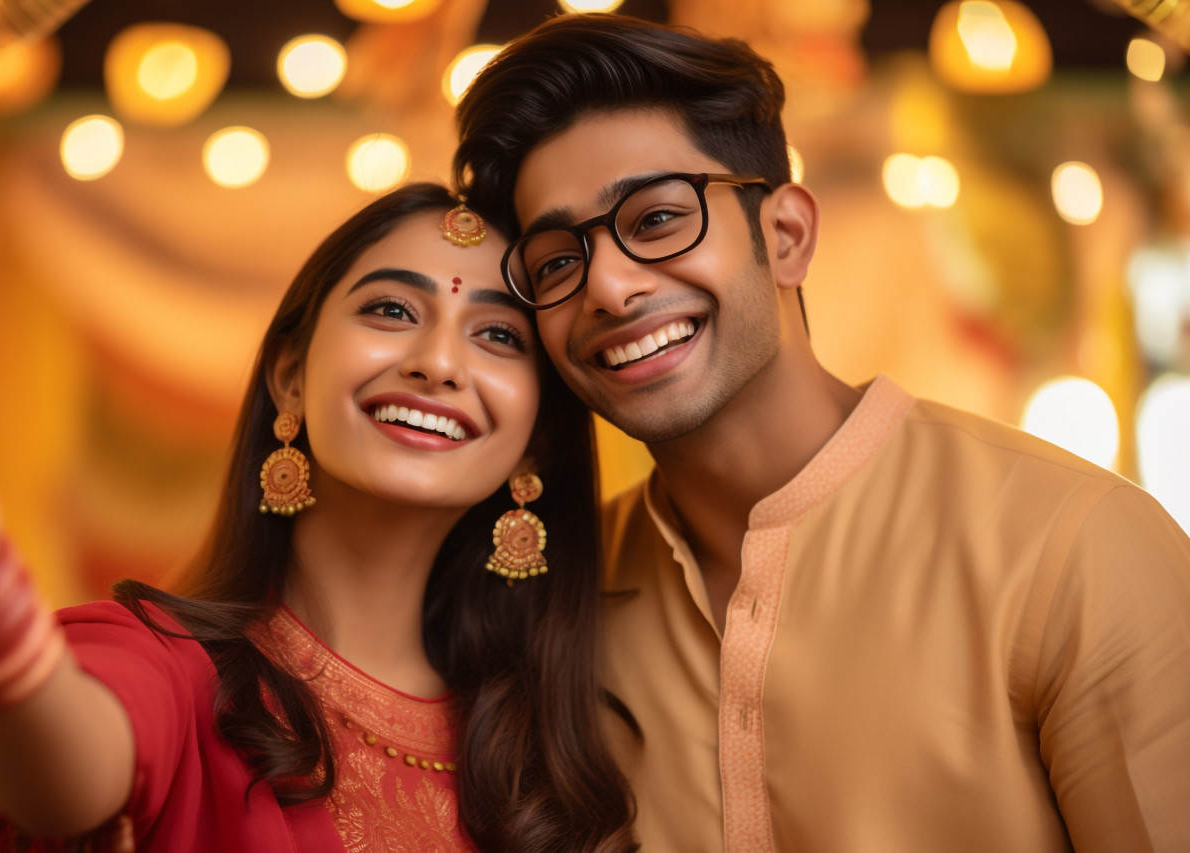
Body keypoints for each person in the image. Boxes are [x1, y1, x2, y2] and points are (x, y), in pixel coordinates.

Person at [452, 13, 1190, 853]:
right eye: (556, 261)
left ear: (787, 235)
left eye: (657, 219)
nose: (609, 288)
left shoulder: (1075, 550)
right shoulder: (558, 609)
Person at [0, 182, 636, 851]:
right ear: (290, 378)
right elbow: (52, 775)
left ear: (535, 443)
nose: (439, 361)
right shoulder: (168, 675)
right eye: (391, 309)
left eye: (499, 336)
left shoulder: (556, 754)